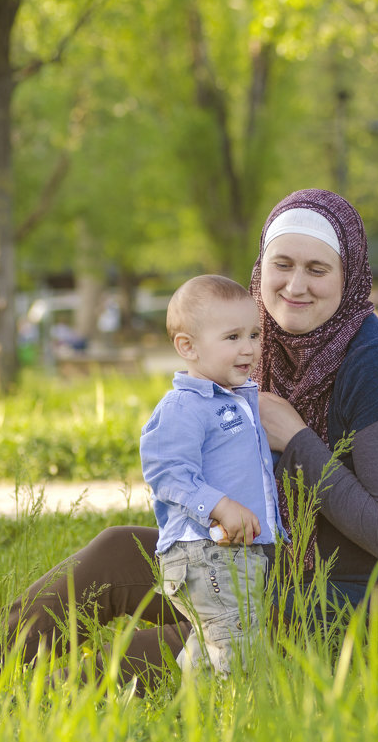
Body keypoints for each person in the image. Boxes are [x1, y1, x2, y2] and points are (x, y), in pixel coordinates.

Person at [0, 188, 378, 693]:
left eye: (318, 269)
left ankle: (37, 698)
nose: (295, 285)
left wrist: (298, 439)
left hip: (361, 598)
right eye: (281, 264)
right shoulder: (259, 345)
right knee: (117, 550)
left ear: (349, 275)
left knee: (154, 652)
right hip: (263, 564)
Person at [140, 275, 286, 673]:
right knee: (236, 645)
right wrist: (219, 504)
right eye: (232, 337)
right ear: (187, 346)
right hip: (206, 551)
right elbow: (165, 472)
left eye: (254, 335)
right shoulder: (184, 406)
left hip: (232, 552)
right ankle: (235, 719)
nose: (249, 348)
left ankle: (194, 714)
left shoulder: (235, 399)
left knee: (213, 644)